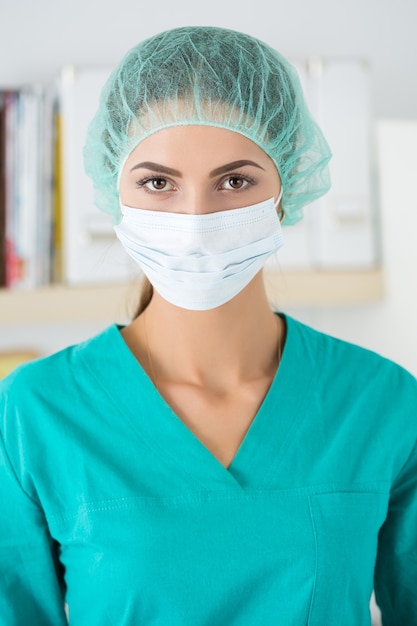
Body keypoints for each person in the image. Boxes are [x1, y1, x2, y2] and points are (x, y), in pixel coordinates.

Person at [0, 26, 416, 626]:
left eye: (235, 181)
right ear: (113, 191)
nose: (195, 221)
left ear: (287, 188)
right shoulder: (34, 415)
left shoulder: (381, 404)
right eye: (158, 183)